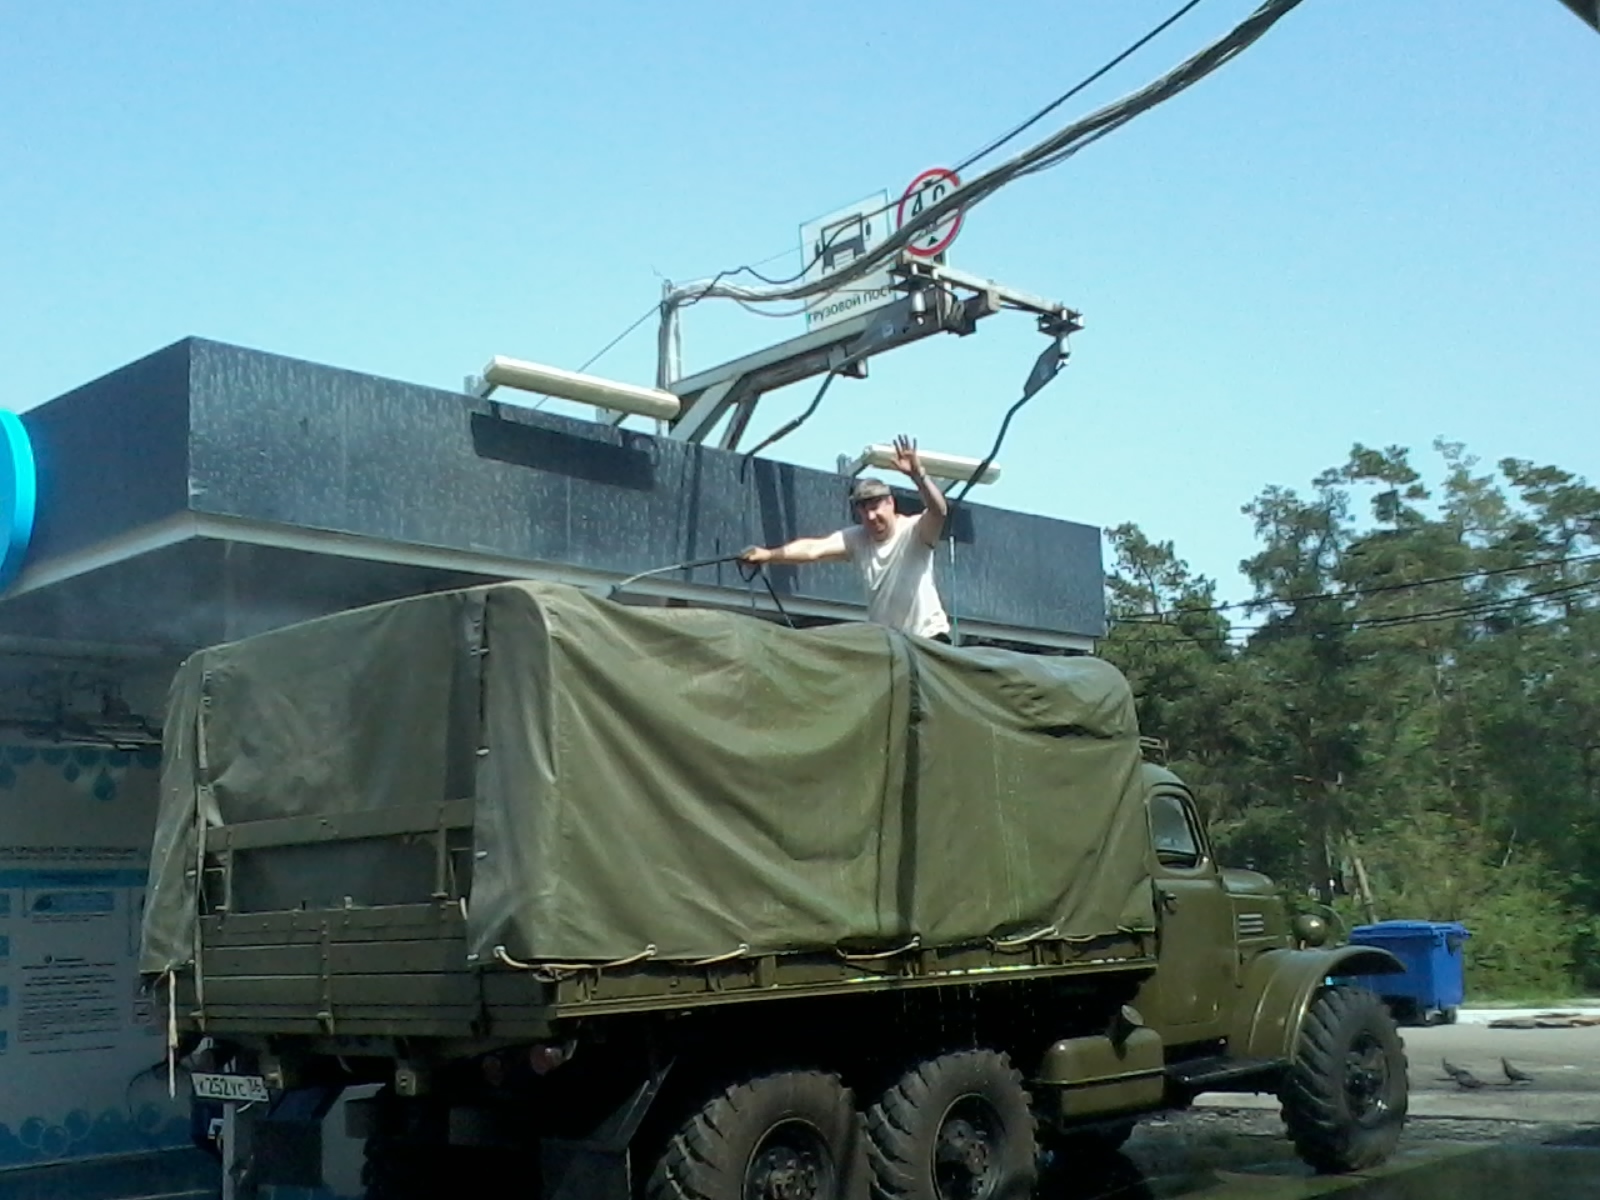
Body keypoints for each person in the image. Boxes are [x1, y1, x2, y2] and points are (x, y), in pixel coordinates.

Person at [741, 435, 952, 642]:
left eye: (875, 507)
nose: (870, 516)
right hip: (893, 644)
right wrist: (767, 555)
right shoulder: (858, 538)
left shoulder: (914, 530)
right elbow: (814, 549)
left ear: (890, 503)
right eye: (864, 511)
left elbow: (939, 511)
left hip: (929, 638)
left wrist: (919, 476)